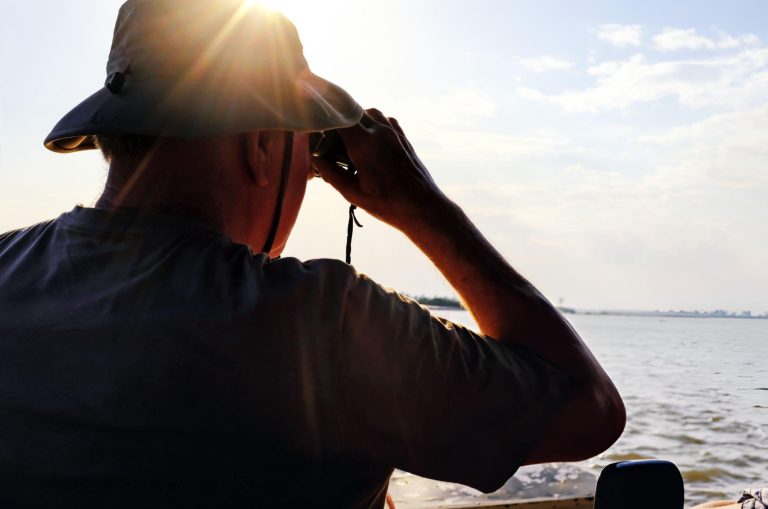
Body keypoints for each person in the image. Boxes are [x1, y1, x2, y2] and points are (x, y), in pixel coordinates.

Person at [0, 0, 625, 507]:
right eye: (308, 153)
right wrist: (422, 206)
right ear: (260, 147)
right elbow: (590, 409)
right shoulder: (326, 323)